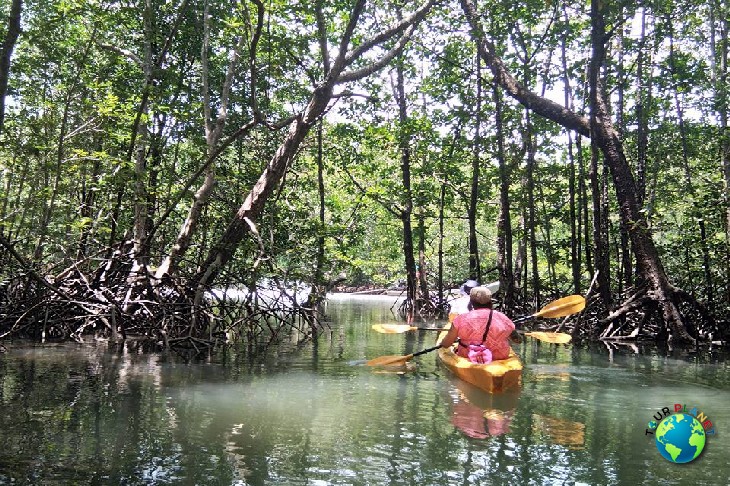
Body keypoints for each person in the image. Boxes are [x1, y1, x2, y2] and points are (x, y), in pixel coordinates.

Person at [440, 286, 520, 362]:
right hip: (500, 357)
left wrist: (442, 343)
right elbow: (518, 340)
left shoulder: (461, 319)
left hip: (470, 357)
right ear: (490, 301)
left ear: (471, 302)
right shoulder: (503, 318)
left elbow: (447, 344)